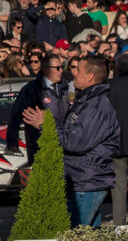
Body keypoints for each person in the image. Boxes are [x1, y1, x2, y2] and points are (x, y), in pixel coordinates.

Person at [24, 56, 119, 228]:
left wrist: (47, 126)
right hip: (83, 178)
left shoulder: (96, 106)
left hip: (87, 181)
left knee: (74, 233)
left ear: (90, 76)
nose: (72, 73)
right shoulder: (88, 100)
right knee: (86, 235)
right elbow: (73, 133)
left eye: (78, 70)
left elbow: (75, 142)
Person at [108, 54, 128, 226]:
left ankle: (120, 229)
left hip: (117, 144)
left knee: (118, 189)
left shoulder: (110, 86)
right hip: (118, 143)